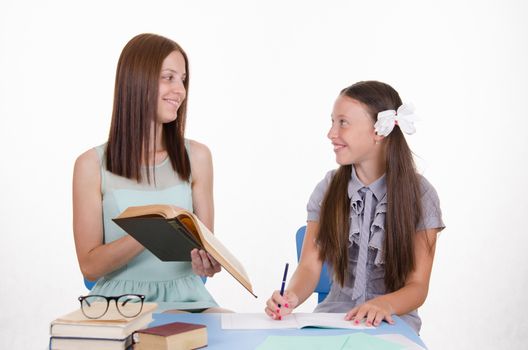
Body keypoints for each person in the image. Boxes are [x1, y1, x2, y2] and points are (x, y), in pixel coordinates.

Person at [265, 80, 444, 333]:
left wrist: (384, 304)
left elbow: (417, 286)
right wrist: (292, 295)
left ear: (378, 131)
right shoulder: (328, 189)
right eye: (332, 122)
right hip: (334, 320)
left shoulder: (421, 195)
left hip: (392, 322)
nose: (331, 133)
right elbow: (309, 266)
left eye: (343, 123)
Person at [73, 33, 225, 313]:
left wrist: (208, 262)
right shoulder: (90, 165)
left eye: (183, 79)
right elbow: (90, 267)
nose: (180, 90)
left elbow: (205, 253)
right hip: (118, 304)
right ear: (137, 81)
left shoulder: (198, 157)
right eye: (168, 77)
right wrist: (151, 231)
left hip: (188, 299)